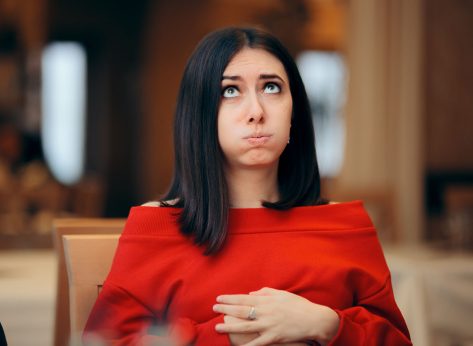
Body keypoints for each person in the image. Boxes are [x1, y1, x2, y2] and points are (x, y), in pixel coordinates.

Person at [83, 27, 411, 346]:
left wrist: (325, 324)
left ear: (294, 109)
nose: (256, 112)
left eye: (271, 88)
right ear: (200, 115)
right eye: (230, 91)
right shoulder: (156, 229)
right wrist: (227, 336)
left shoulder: (346, 227)